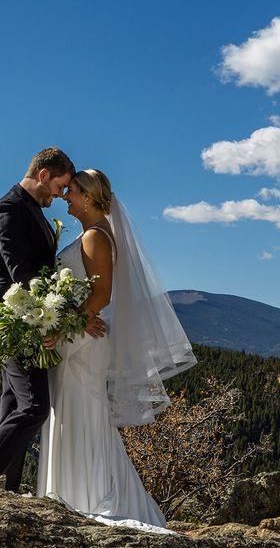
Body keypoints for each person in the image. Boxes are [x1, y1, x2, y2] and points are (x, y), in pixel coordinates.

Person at [36, 169, 197, 529]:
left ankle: (86, 497)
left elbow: (102, 295)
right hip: (80, 335)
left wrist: (64, 327)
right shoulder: (92, 234)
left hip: (83, 343)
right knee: (74, 412)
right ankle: (74, 494)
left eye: (72, 191)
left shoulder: (96, 237)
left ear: (90, 198)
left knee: (83, 414)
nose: (66, 197)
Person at [0, 148, 106, 492]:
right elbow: (21, 274)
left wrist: (69, 316)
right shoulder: (9, 209)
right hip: (16, 319)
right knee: (34, 407)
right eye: (59, 186)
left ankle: (6, 491)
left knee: (13, 406)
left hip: (33, 318)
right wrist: (62, 319)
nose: (60, 195)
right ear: (43, 175)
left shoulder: (33, 212)